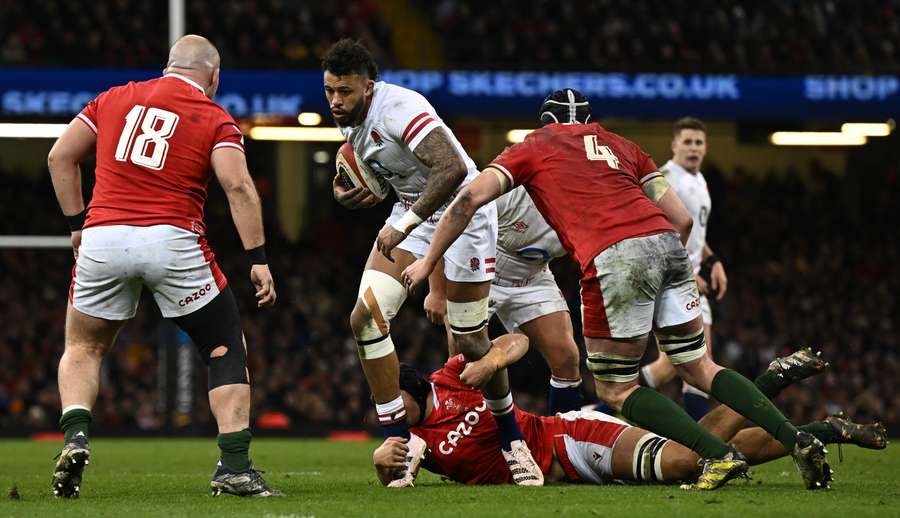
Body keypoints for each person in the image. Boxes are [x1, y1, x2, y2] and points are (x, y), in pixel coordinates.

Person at [401, 88, 830, 490]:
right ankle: (798, 440)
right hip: (665, 246)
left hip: (611, 258)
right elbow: (682, 221)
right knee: (700, 367)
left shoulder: (534, 145)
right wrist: (663, 267)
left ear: (546, 122)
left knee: (615, 388)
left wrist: (426, 262)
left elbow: (463, 201)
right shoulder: (624, 147)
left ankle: (716, 455)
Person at [48, 35, 281, 498]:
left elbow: (60, 156)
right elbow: (238, 187)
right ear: (213, 77)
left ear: (167, 66)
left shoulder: (113, 98)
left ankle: (76, 435)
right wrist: (257, 258)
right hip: (172, 239)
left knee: (83, 346)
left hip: (104, 235)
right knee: (222, 347)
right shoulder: (215, 117)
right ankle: (234, 467)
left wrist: (77, 225)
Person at [322, 39, 541, 487]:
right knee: (365, 318)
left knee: (470, 348)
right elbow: (390, 183)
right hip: (414, 211)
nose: (335, 102)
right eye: (329, 91)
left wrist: (404, 226)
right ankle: (400, 444)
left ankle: (510, 436)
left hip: (466, 214)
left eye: (344, 92)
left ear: (369, 86)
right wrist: (349, 194)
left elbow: (450, 171)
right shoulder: (352, 127)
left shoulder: (399, 107)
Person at [372, 340, 886, 488]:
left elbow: (516, 340)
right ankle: (818, 430)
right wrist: (380, 462)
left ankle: (769, 381)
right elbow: (390, 475)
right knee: (711, 453)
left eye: (395, 397)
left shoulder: (449, 379)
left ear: (411, 386)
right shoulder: (415, 443)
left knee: (689, 461)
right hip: (566, 475)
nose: (392, 408)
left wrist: (491, 361)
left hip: (568, 439)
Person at [425, 186, 582, 414]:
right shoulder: (514, 190)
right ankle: (462, 434)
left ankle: (569, 439)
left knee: (567, 357)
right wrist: (437, 290)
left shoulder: (590, 209)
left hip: (533, 275)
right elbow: (452, 218)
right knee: (463, 359)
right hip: (481, 268)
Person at [640, 117, 725, 420]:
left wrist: (712, 260)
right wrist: (689, 272)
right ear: (674, 144)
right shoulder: (666, 180)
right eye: (687, 142)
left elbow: (695, 231)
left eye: (698, 142)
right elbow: (657, 234)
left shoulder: (698, 180)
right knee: (693, 367)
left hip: (688, 281)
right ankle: (603, 404)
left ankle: (604, 403)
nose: (693, 148)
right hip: (672, 281)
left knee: (685, 367)